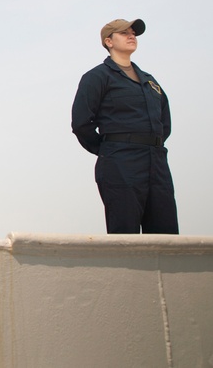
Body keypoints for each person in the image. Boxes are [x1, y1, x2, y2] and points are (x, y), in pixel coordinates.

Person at [71, 18, 178, 234]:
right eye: (124, 33)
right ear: (109, 41)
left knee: (165, 233)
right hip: (120, 162)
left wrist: (151, 145)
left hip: (156, 162)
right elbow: (81, 123)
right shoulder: (97, 77)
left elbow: (164, 123)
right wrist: (108, 150)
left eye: (133, 33)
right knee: (125, 232)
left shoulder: (150, 82)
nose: (132, 36)